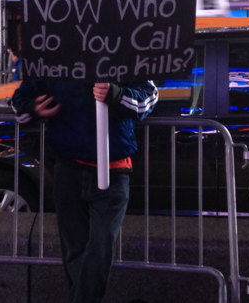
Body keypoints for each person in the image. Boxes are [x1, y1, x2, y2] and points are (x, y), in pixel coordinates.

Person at [11, 79, 158, 303]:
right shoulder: (56, 58)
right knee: (76, 252)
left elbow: (149, 98)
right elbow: (18, 100)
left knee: (99, 248)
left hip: (113, 171)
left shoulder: (127, 54)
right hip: (68, 168)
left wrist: (117, 95)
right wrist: (32, 108)